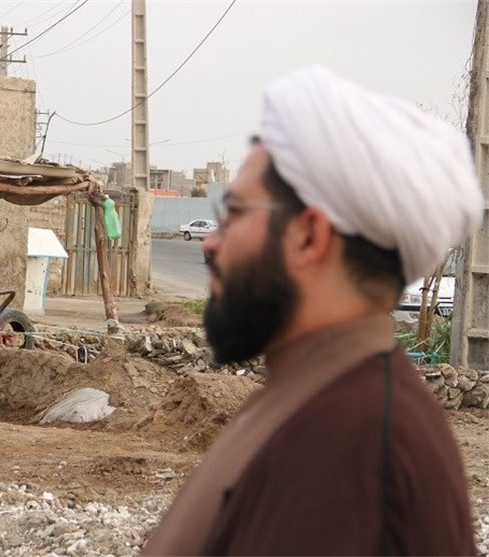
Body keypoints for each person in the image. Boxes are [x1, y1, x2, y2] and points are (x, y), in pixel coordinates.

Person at [141, 66, 482, 556]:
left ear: (309, 237)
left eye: (234, 214)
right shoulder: (312, 398)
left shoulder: (355, 446)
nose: (210, 243)